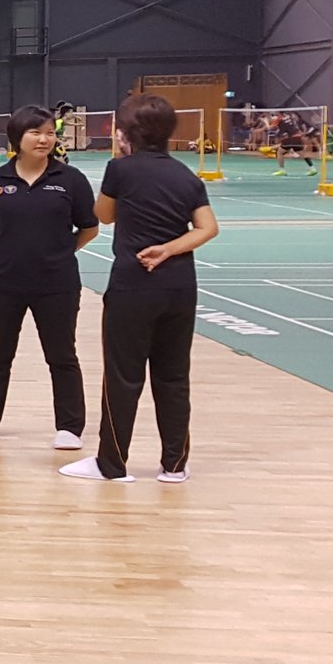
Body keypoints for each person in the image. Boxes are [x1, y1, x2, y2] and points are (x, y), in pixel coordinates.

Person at [61, 92, 220, 484]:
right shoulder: (186, 175)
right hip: (180, 288)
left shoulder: (121, 169)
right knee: (173, 376)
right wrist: (169, 249)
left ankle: (112, 465)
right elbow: (207, 228)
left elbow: (103, 215)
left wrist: (119, 161)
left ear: (126, 133)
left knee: (123, 376)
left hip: (133, 286)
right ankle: (174, 465)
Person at [0, 106, 99, 451]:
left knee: (62, 355)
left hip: (57, 284)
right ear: (17, 138)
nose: (44, 139)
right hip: (3, 283)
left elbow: (89, 227)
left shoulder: (71, 180)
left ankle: (69, 427)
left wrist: (59, 252)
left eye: (50, 133)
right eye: (36, 132)